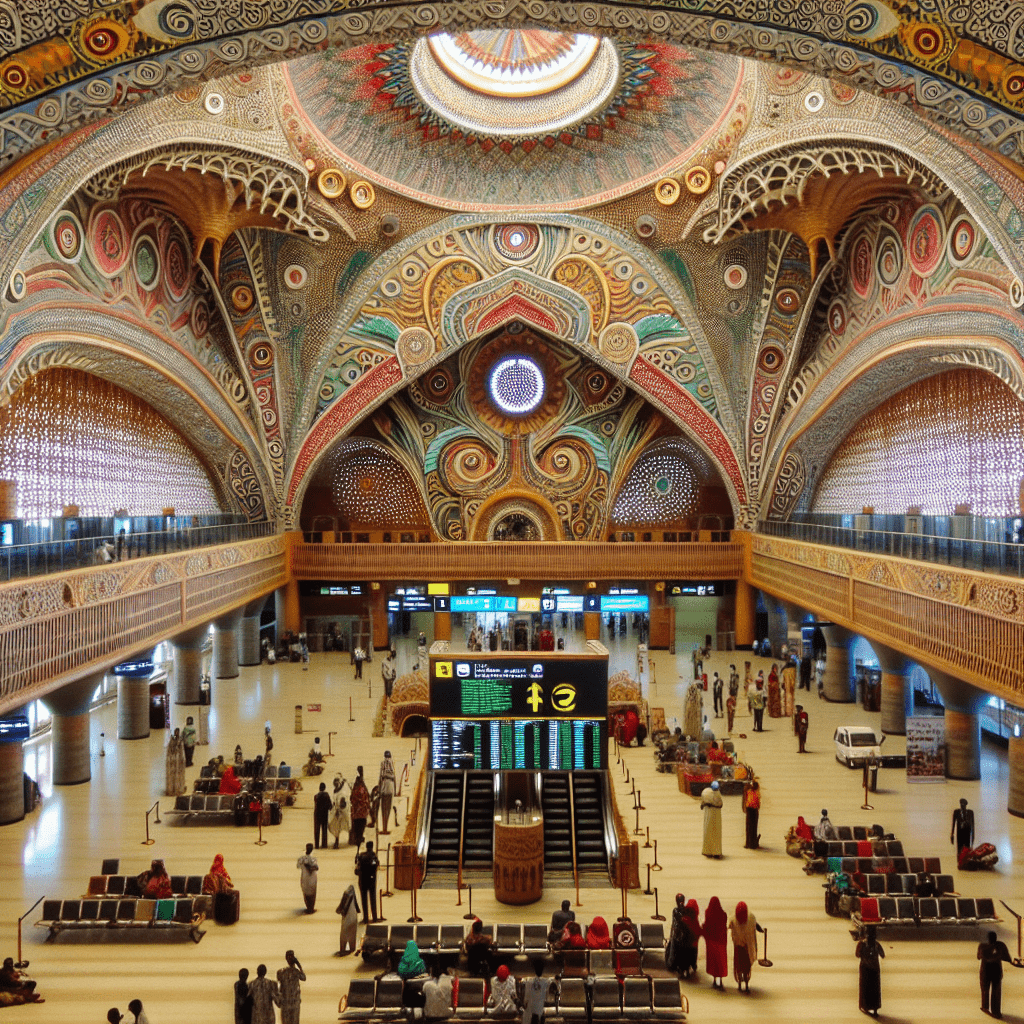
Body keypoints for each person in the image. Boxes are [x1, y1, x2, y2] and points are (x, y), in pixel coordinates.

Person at [727, 902, 763, 992]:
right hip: (747, 949)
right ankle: (746, 985)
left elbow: (728, 926)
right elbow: (755, 925)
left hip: (738, 949)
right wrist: (759, 929)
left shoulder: (733, 919)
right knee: (746, 968)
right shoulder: (751, 918)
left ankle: (739, 985)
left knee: (738, 967)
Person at [978, 930, 1012, 1018]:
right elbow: (1007, 958)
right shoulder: (1001, 945)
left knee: (985, 988)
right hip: (997, 970)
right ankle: (996, 1011)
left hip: (985, 970)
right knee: (996, 990)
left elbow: (978, 957)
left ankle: (985, 1006)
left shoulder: (982, 945)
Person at [856, 925, 885, 1016]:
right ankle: (875, 1008)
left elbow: (857, 955)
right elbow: (883, 955)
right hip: (875, 968)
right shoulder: (876, 944)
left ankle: (864, 1006)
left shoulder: (861, 944)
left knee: (865, 988)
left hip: (865, 968)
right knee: (875, 989)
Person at [703, 897, 728, 989]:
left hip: (711, 941)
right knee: (720, 962)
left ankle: (714, 980)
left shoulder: (708, 912)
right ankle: (720, 980)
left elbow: (707, 925)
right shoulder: (723, 914)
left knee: (713, 961)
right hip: (720, 942)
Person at [277, 950, 305, 1024]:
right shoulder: (296, 972)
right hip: (295, 1001)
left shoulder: (281, 972)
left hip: (285, 1002)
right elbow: (304, 977)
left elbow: (279, 980)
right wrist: (298, 965)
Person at [356, 841, 379, 924]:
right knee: (373, 899)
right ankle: (374, 917)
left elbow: (356, 870)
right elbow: (375, 865)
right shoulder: (374, 856)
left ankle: (366, 918)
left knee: (364, 900)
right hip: (371, 880)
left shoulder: (361, 856)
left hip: (362, 880)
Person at [700, 780, 723, 858]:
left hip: (709, 815)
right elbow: (720, 804)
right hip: (716, 816)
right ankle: (716, 852)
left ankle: (707, 851)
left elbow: (702, 805)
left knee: (708, 832)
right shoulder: (718, 794)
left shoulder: (706, 792)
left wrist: (706, 804)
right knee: (716, 833)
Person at [335, 884, 360, 956]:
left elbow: (341, 906)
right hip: (353, 916)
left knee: (344, 933)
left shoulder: (346, 895)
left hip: (347, 917)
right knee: (352, 933)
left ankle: (343, 947)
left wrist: (339, 910)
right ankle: (352, 947)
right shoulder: (352, 897)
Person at [350, 768, 370, 848]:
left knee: (357, 826)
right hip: (362, 812)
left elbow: (351, 799)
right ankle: (360, 838)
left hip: (356, 813)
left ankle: (357, 838)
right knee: (361, 826)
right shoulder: (364, 789)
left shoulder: (355, 789)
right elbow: (367, 798)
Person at [328, 775, 349, 850]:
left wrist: (339, 809)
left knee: (339, 826)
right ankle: (337, 841)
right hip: (336, 811)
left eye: (337, 782)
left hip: (340, 812)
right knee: (334, 826)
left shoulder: (341, 793)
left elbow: (342, 803)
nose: (336, 784)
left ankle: (337, 842)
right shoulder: (336, 790)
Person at [296, 843, 318, 913]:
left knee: (306, 892)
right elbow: (316, 868)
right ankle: (311, 908)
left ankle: (308, 907)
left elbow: (298, 866)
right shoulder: (313, 859)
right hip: (312, 878)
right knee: (312, 893)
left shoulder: (301, 859)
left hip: (305, 878)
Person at [378, 750, 395, 835]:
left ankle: (385, 828)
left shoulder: (385, 764)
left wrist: (379, 789)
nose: (387, 759)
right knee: (385, 810)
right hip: (387, 790)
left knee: (385, 810)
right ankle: (385, 828)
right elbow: (393, 777)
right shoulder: (389, 764)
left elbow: (381, 777)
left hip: (385, 790)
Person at [165, 728, 186, 796]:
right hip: (177, 760)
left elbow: (169, 751)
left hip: (172, 759)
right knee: (177, 774)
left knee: (173, 774)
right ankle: (177, 790)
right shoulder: (178, 741)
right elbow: (181, 752)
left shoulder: (172, 740)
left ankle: (172, 790)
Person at [313, 781, 332, 849]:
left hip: (317, 815)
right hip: (324, 815)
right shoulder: (327, 795)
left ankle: (317, 845)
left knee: (317, 831)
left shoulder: (316, 796)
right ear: (324, 788)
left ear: (319, 788)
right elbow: (330, 806)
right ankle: (324, 844)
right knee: (324, 831)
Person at [743, 779, 761, 849]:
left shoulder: (749, 792)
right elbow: (758, 804)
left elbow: (745, 800)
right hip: (754, 810)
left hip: (749, 810)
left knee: (748, 827)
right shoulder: (757, 793)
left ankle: (748, 843)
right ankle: (753, 844)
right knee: (753, 827)